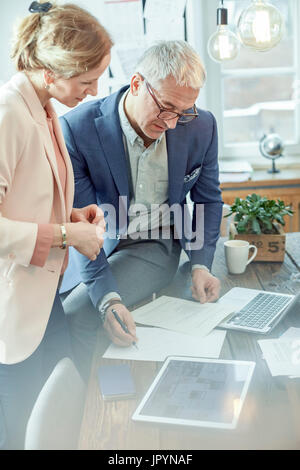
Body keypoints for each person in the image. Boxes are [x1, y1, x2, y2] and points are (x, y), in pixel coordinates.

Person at [60, 40, 223, 354]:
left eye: (184, 112)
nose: (173, 123)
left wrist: (201, 264)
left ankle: (101, 396)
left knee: (78, 314)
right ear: (136, 84)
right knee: (68, 313)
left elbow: (207, 201)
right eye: (165, 108)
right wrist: (108, 298)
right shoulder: (77, 129)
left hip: (154, 243)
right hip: (96, 242)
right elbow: (82, 224)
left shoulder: (202, 126)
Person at [0, 0, 112, 450]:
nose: (95, 89)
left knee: (61, 420)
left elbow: (25, 200)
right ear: (51, 71)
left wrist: (71, 215)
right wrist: (67, 235)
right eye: (86, 80)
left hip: (45, 298)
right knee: (22, 429)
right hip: (13, 309)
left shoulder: (45, 110)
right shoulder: (8, 114)